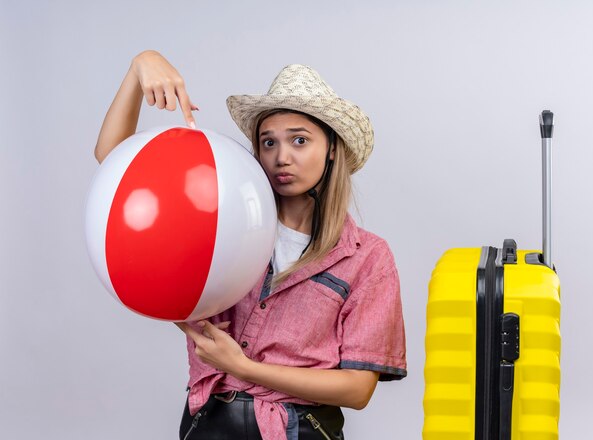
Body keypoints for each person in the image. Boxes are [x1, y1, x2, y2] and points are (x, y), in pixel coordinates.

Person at [94, 50, 407, 440]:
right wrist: (140, 65)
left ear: (330, 148)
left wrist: (243, 368)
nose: (282, 158)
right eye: (269, 142)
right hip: (208, 423)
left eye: (299, 140)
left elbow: (358, 390)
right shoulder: (225, 219)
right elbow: (118, 167)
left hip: (299, 429)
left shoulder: (367, 257)